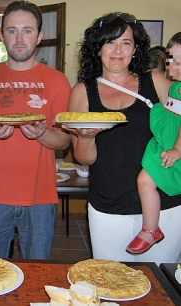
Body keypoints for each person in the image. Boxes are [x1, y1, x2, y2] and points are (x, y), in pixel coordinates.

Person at [64, 12, 181, 264]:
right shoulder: (82, 92)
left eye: (126, 43)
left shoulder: (157, 82)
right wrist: (85, 137)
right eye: (110, 42)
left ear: (135, 49)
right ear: (98, 48)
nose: (118, 50)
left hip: (165, 206)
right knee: (108, 287)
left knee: (161, 287)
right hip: (108, 208)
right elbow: (84, 158)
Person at [0, 0, 71, 259]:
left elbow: (64, 141)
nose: (19, 38)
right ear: (1, 35)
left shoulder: (58, 81)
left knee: (37, 275)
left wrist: (43, 134)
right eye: (12, 30)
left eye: (27, 30)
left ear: (39, 36)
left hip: (40, 197)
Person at [126, 81, 181, 254]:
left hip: (173, 144)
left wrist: (178, 148)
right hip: (166, 140)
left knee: (144, 181)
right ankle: (151, 229)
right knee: (144, 181)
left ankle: (150, 230)